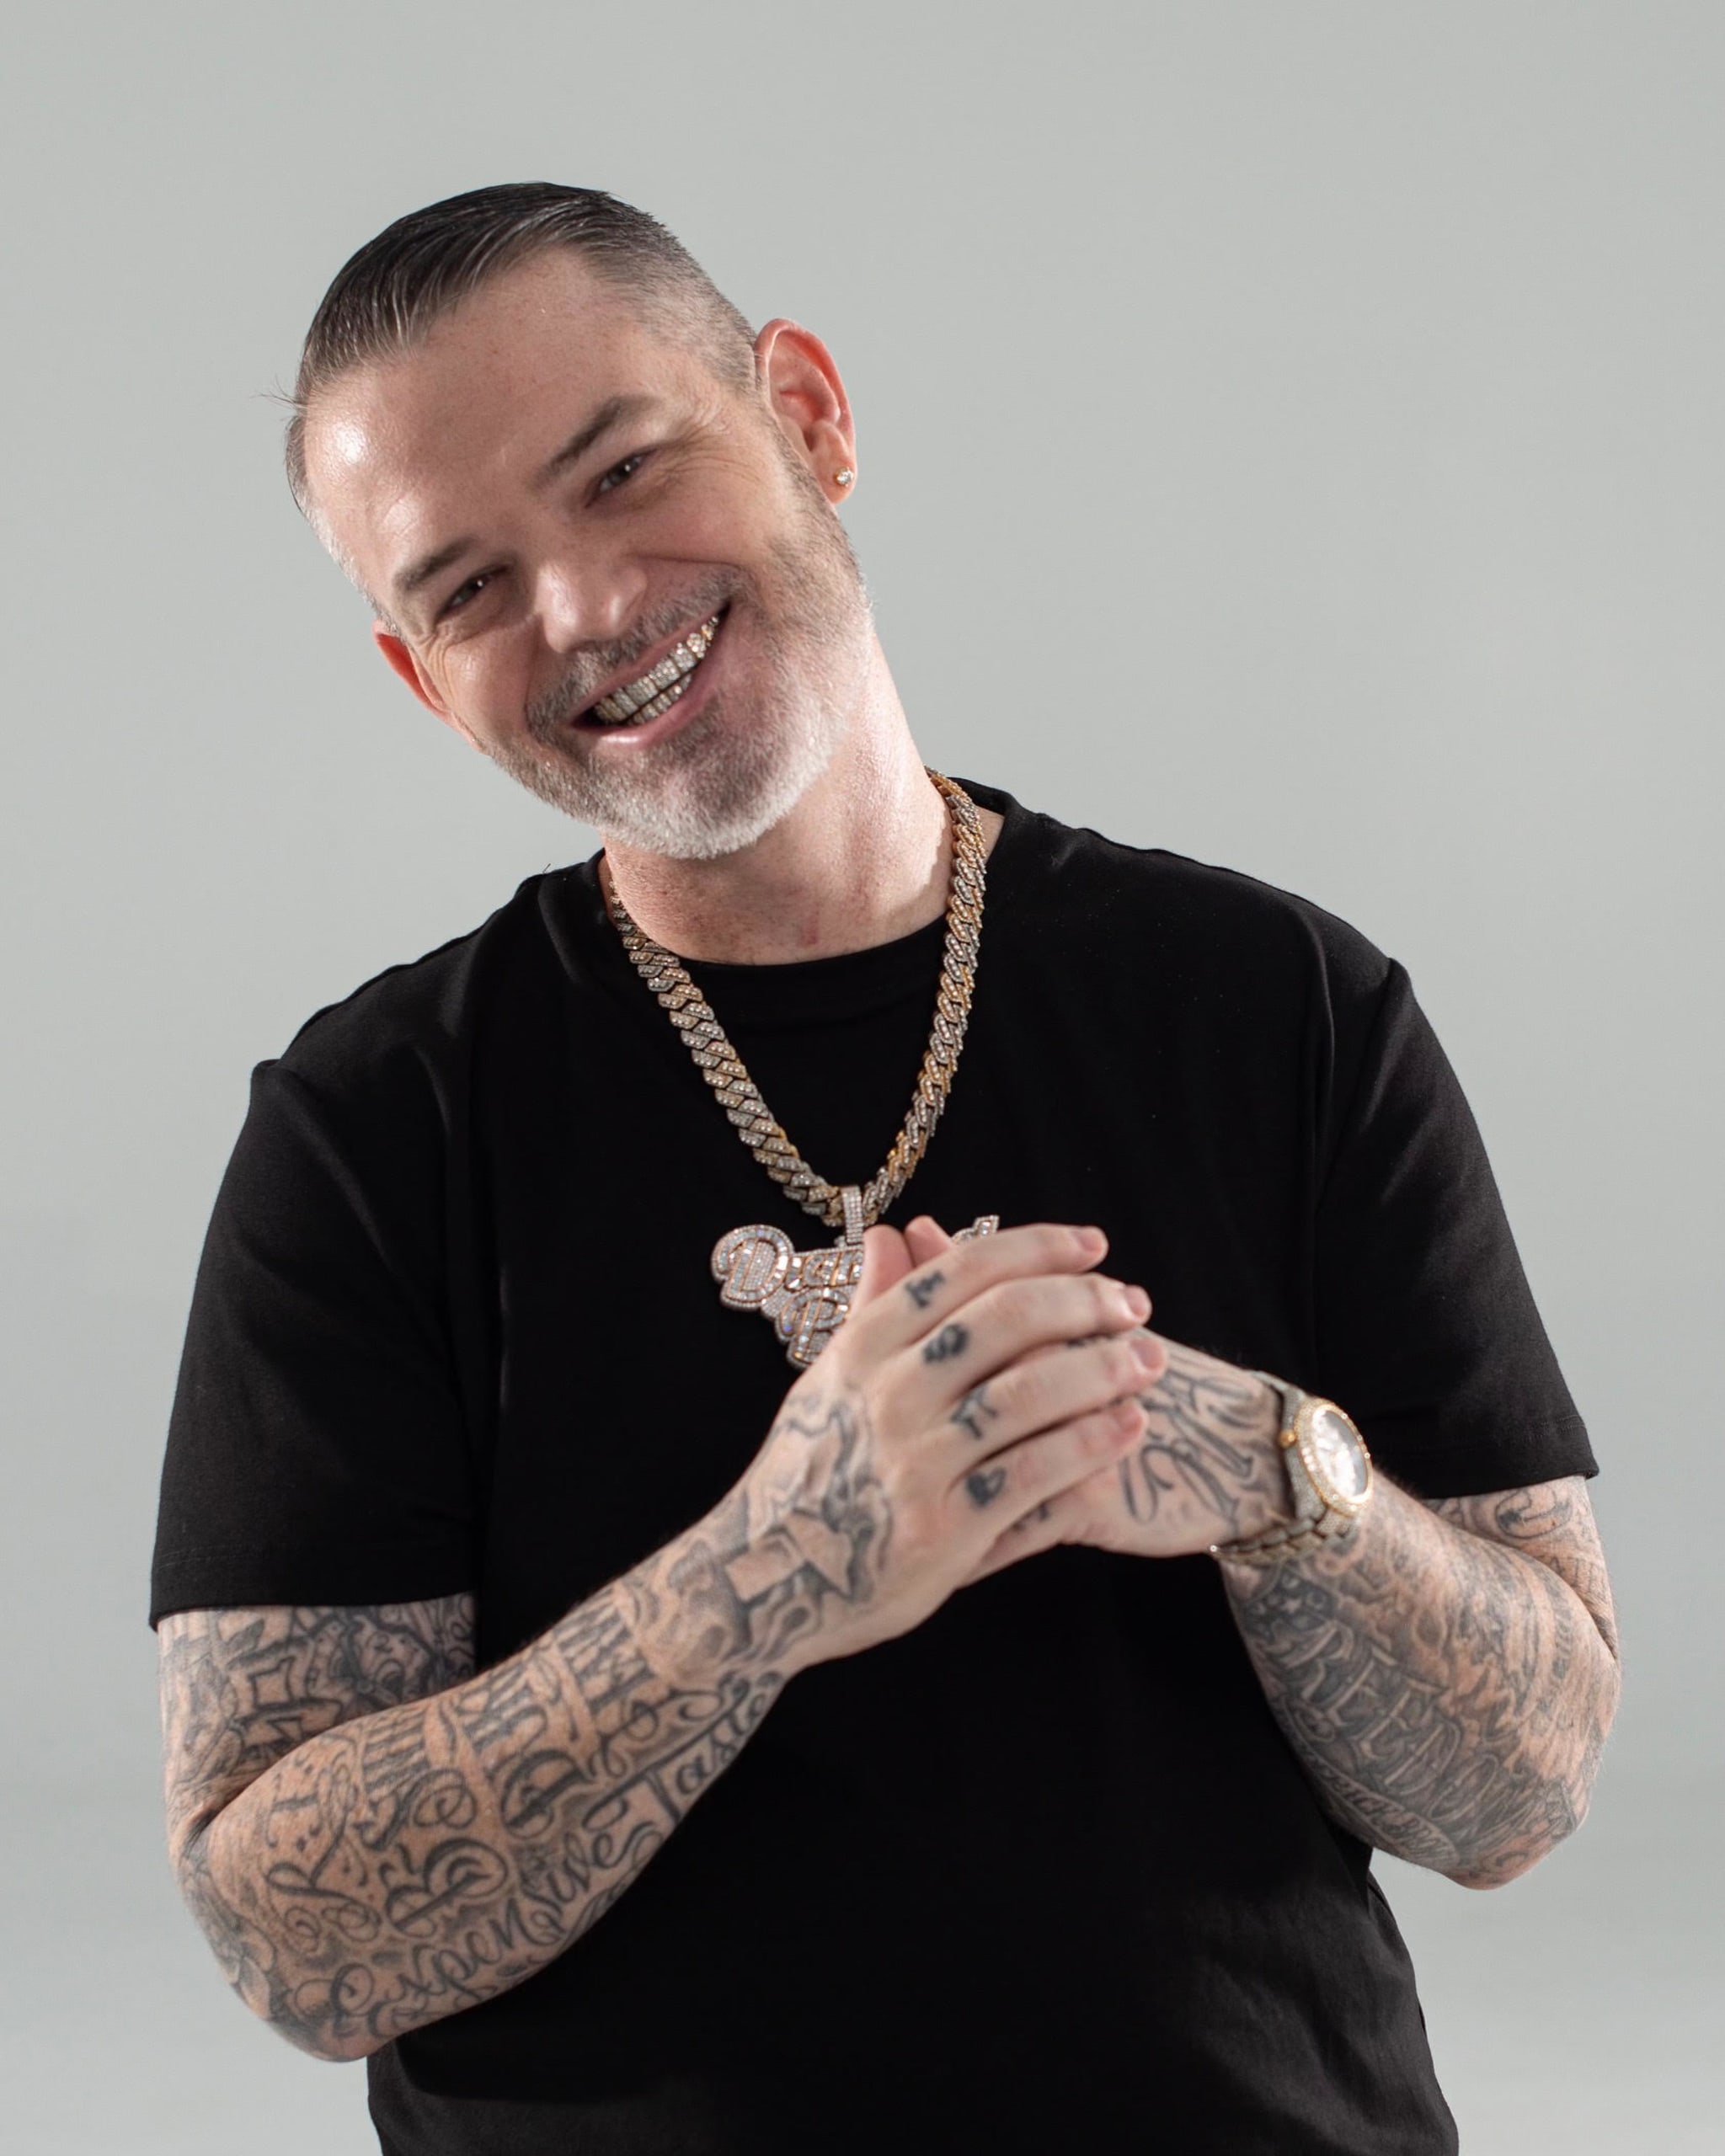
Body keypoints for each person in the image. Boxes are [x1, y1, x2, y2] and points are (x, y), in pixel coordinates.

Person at [151, 184, 1619, 2156]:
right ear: (423, 675)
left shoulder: (1278, 1004)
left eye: (622, 468)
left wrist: (1284, 1482)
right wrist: (774, 1572)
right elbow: (292, 1939)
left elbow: (1517, 1792)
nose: (583, 609)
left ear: (808, 415)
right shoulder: (370, 1128)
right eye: (470, 586)